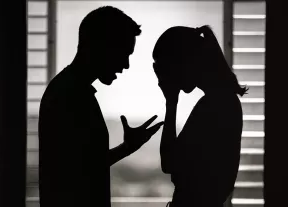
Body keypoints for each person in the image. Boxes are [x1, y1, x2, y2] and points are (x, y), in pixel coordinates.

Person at [38, 6, 164, 207]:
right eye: (124, 53)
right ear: (102, 46)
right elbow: (76, 174)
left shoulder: (70, 90)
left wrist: (127, 148)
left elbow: (84, 165)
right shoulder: (70, 95)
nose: (126, 65)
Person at [152, 25, 247, 207]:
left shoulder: (215, 105)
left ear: (184, 61)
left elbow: (169, 163)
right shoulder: (221, 100)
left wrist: (171, 103)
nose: (168, 76)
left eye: (168, 67)